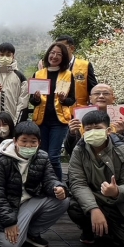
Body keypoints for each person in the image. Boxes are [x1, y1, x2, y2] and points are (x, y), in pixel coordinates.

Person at [0, 121, 69, 247]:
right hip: (10, 206)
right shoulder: (2, 160)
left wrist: (58, 187)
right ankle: (19, 228)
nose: (28, 145)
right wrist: (9, 222)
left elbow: (50, 179)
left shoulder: (42, 157)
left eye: (33, 141)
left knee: (63, 201)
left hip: (31, 201)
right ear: (15, 141)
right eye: (24, 141)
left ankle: (32, 232)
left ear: (39, 143)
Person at [66, 110, 124, 247]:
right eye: (88, 129)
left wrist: (116, 191)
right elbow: (77, 183)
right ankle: (89, 229)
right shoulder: (79, 151)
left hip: (118, 203)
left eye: (98, 128)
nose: (93, 132)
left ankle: (106, 229)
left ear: (108, 130)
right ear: (83, 131)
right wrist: (93, 209)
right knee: (73, 206)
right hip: (93, 196)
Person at [30, 42, 76, 180]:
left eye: (58, 54)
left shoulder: (68, 75)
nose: (54, 56)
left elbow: (72, 100)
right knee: (42, 155)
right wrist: (36, 98)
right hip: (41, 121)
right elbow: (32, 101)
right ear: (48, 54)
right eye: (52, 53)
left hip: (59, 121)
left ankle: (58, 185)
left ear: (63, 57)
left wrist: (63, 99)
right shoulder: (39, 73)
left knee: (53, 156)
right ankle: (45, 184)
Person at [64, 83, 124, 154]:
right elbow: (70, 151)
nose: (101, 96)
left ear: (113, 98)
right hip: (87, 160)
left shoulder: (122, 120)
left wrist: (120, 135)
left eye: (106, 93)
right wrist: (72, 134)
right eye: (97, 93)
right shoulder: (80, 118)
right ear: (90, 98)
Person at [55, 35, 98, 108]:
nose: (60, 51)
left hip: (79, 110)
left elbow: (93, 90)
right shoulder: (54, 67)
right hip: (58, 111)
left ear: (72, 48)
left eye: (63, 48)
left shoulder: (85, 65)